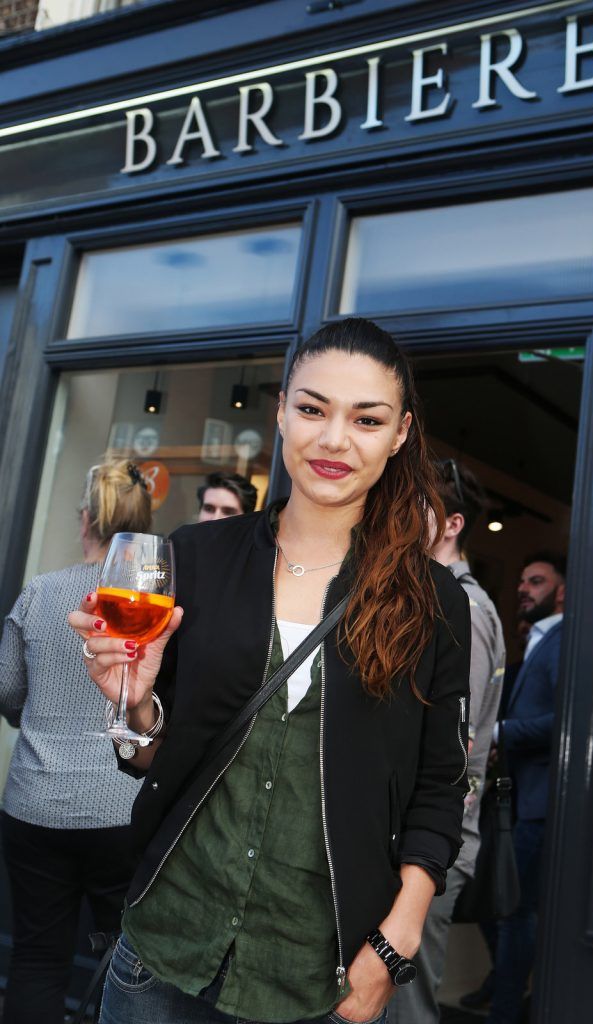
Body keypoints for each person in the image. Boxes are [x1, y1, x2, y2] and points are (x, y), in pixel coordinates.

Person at [68, 316, 471, 1024]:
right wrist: (133, 705)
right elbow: (157, 759)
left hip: (315, 979)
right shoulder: (195, 557)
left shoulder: (430, 602)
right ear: (281, 409)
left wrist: (396, 940)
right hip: (161, 954)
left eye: (366, 419)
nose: (334, 439)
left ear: (400, 433)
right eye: (313, 408)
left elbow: (439, 789)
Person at [0, 459, 152, 1024]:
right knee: (128, 962)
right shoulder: (149, 609)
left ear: (85, 519)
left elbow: (8, 690)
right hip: (124, 807)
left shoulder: (41, 594)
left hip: (36, 802)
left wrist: (39, 718)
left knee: (38, 958)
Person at [392, 458, 505, 1024]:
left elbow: (452, 743)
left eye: (416, 506)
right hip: (412, 840)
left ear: (452, 524)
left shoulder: (465, 608)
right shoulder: (431, 597)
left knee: (404, 1005)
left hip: (434, 847)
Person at [484, 551, 566, 1024]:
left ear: (562, 591)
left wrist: (500, 734)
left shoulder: (561, 641)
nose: (523, 589)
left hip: (539, 801)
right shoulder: (539, 640)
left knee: (515, 912)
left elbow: (563, 719)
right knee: (508, 908)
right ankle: (506, 994)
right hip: (520, 799)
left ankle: (506, 1010)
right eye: (521, 580)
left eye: (536, 581)